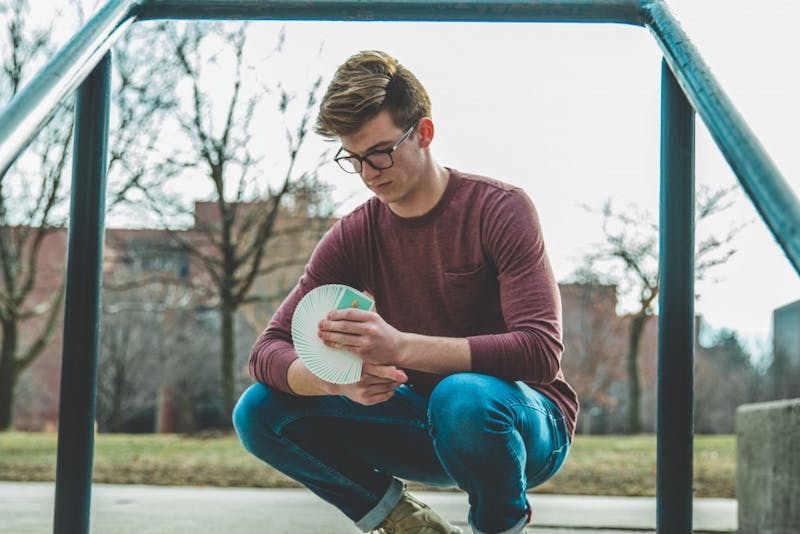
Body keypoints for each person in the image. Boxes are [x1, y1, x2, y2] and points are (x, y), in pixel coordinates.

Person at [233, 50, 579, 534]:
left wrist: (400, 346)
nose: (369, 171)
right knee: (258, 411)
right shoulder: (355, 233)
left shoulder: (500, 209)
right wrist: (335, 381)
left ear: (424, 133)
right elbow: (266, 351)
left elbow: (540, 352)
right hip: (422, 423)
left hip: (522, 424)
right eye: (353, 158)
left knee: (462, 398)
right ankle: (407, 523)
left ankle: (500, 526)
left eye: (380, 151)